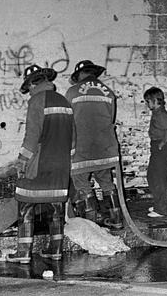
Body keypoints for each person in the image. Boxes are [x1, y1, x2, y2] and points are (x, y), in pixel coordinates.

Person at [7, 64, 75, 263]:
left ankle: (23, 253)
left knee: (26, 202)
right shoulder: (64, 101)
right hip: (61, 164)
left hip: (40, 163)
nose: (28, 92)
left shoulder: (37, 101)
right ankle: (55, 250)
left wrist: (21, 162)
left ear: (33, 83)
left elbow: (32, 136)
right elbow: (73, 138)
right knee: (56, 206)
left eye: (28, 88)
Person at [65, 59, 124, 229]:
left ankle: (90, 225)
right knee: (106, 181)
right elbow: (111, 119)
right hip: (105, 148)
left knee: (82, 184)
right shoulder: (109, 93)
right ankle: (117, 219)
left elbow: (69, 122)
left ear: (80, 75)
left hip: (82, 149)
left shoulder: (72, 92)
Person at [143, 87, 167, 218]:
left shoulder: (161, 114)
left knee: (159, 179)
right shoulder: (157, 112)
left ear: (156, 100)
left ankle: (161, 210)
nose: (147, 104)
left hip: (162, 147)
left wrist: (162, 144)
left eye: (148, 101)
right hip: (157, 147)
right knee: (152, 176)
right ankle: (158, 204)